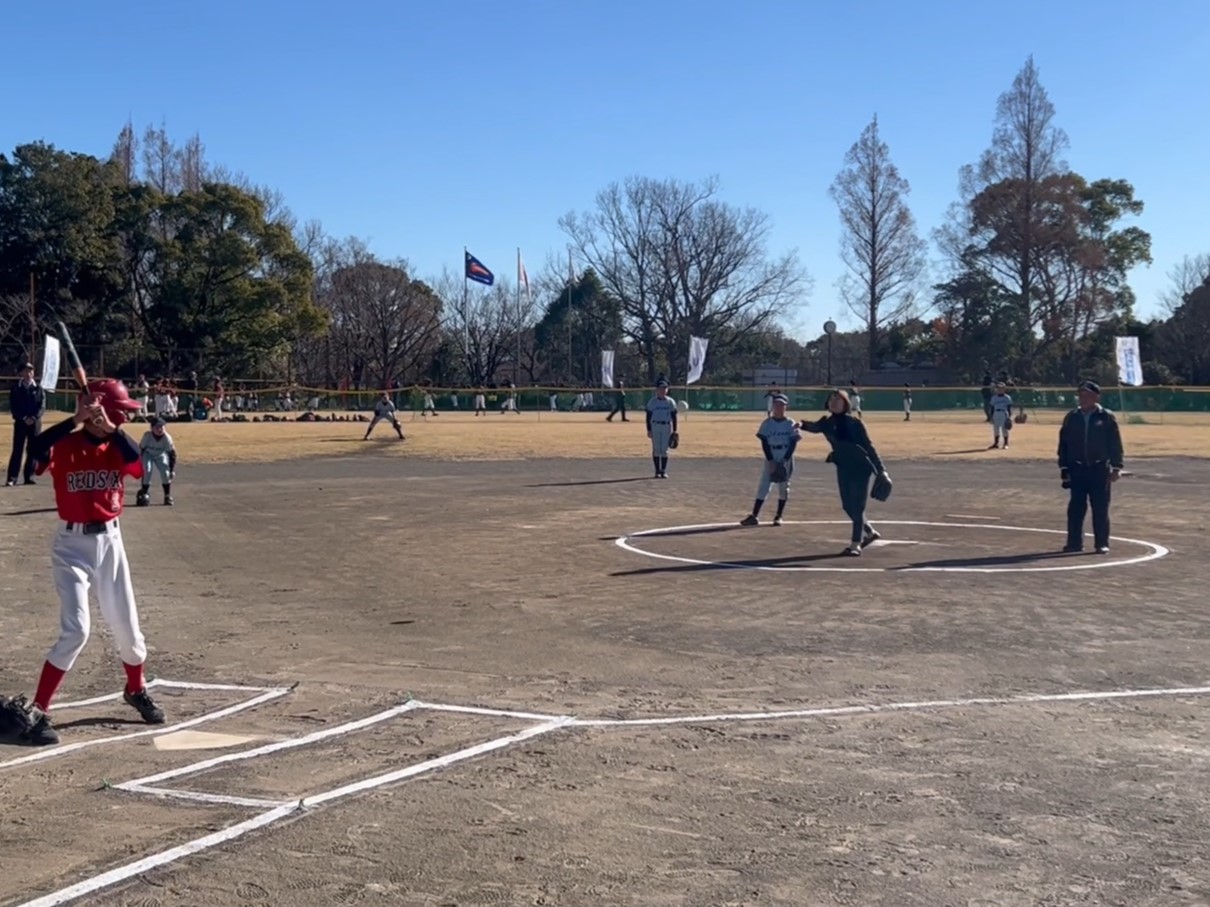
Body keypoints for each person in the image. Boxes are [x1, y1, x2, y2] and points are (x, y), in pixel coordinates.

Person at [0, 380, 166, 746]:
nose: (126, 415)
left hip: (111, 542)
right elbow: (37, 450)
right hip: (71, 547)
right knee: (76, 630)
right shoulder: (65, 443)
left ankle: (135, 689)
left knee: (130, 632)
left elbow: (138, 465)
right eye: (121, 409)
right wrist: (74, 419)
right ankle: (39, 710)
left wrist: (109, 428)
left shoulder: (117, 445)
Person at [800, 389, 890, 556]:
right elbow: (815, 427)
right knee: (847, 506)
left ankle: (855, 544)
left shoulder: (855, 423)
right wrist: (800, 425)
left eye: (838, 399)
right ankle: (870, 532)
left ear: (845, 403)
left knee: (857, 506)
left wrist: (881, 470)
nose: (834, 402)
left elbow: (869, 448)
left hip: (861, 467)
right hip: (843, 466)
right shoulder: (827, 422)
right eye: (831, 399)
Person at [1057, 380, 1124, 555]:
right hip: (1077, 468)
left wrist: (1117, 467)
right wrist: (1064, 468)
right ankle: (1074, 543)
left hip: (1099, 468)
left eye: (1086, 395)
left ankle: (1101, 543)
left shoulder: (1106, 416)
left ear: (1096, 397)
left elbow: (1115, 443)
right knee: (1076, 508)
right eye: (1080, 395)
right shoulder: (1072, 417)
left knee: (1100, 507)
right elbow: (1063, 443)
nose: (1082, 398)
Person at [741, 394, 800, 527]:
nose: (778, 407)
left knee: (783, 487)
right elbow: (765, 443)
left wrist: (785, 460)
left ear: (786, 407)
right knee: (764, 486)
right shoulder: (767, 423)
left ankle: (779, 516)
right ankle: (754, 516)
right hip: (772, 455)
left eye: (781, 405)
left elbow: (793, 443)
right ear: (773, 407)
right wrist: (771, 461)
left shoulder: (790, 423)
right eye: (776, 405)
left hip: (786, 455)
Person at [7, 362, 44, 487]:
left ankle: (29, 476)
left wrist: (34, 417)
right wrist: (23, 417)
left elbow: (42, 406)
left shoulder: (38, 388)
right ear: (21, 373)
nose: (29, 374)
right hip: (20, 423)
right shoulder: (16, 388)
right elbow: (14, 406)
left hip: (35, 424)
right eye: (26, 371)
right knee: (18, 449)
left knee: (33, 449)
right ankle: (12, 477)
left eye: (31, 371)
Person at [137, 418, 177, 506]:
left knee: (165, 473)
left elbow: (172, 454)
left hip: (160, 455)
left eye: (162, 427)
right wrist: (139, 464)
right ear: (152, 428)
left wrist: (172, 470)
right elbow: (141, 449)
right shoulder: (147, 436)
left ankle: (167, 496)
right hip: (148, 454)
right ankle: (144, 493)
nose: (160, 429)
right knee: (147, 470)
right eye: (157, 427)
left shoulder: (167, 438)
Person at [645, 378, 678, 479]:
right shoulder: (652, 402)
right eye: (661, 388)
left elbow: (674, 416)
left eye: (665, 388)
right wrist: (649, 429)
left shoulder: (670, 402)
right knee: (656, 449)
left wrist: (675, 430)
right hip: (655, 425)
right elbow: (648, 416)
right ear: (657, 390)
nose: (663, 390)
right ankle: (657, 471)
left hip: (666, 426)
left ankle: (663, 471)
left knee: (664, 449)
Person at [989, 382, 1014, 449]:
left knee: (1004, 429)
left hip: (1004, 413)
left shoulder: (1007, 397)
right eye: (998, 388)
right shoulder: (994, 398)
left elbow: (1009, 407)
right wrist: (991, 417)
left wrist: (1009, 417)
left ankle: (1006, 444)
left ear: (1004, 389)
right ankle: (996, 443)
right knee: (996, 429)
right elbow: (992, 408)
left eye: (1001, 388)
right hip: (996, 413)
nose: (1000, 389)